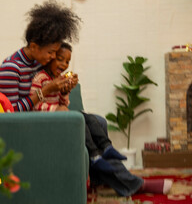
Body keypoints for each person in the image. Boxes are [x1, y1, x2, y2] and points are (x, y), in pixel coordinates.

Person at [29, 42, 173, 196]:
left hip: (61, 119)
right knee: (79, 118)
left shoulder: (58, 78)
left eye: (67, 61)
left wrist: (65, 92)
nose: (64, 64)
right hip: (49, 123)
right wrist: (56, 109)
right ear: (50, 58)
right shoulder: (41, 78)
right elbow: (35, 106)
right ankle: (134, 182)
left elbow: (63, 104)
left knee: (93, 120)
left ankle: (106, 151)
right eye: (59, 59)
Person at [0, 0, 80, 112]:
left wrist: (65, 87)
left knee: (98, 121)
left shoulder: (40, 63)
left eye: (56, 52)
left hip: (44, 117)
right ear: (34, 46)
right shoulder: (11, 68)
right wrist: (46, 90)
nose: (54, 56)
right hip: (26, 124)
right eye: (50, 52)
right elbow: (11, 111)